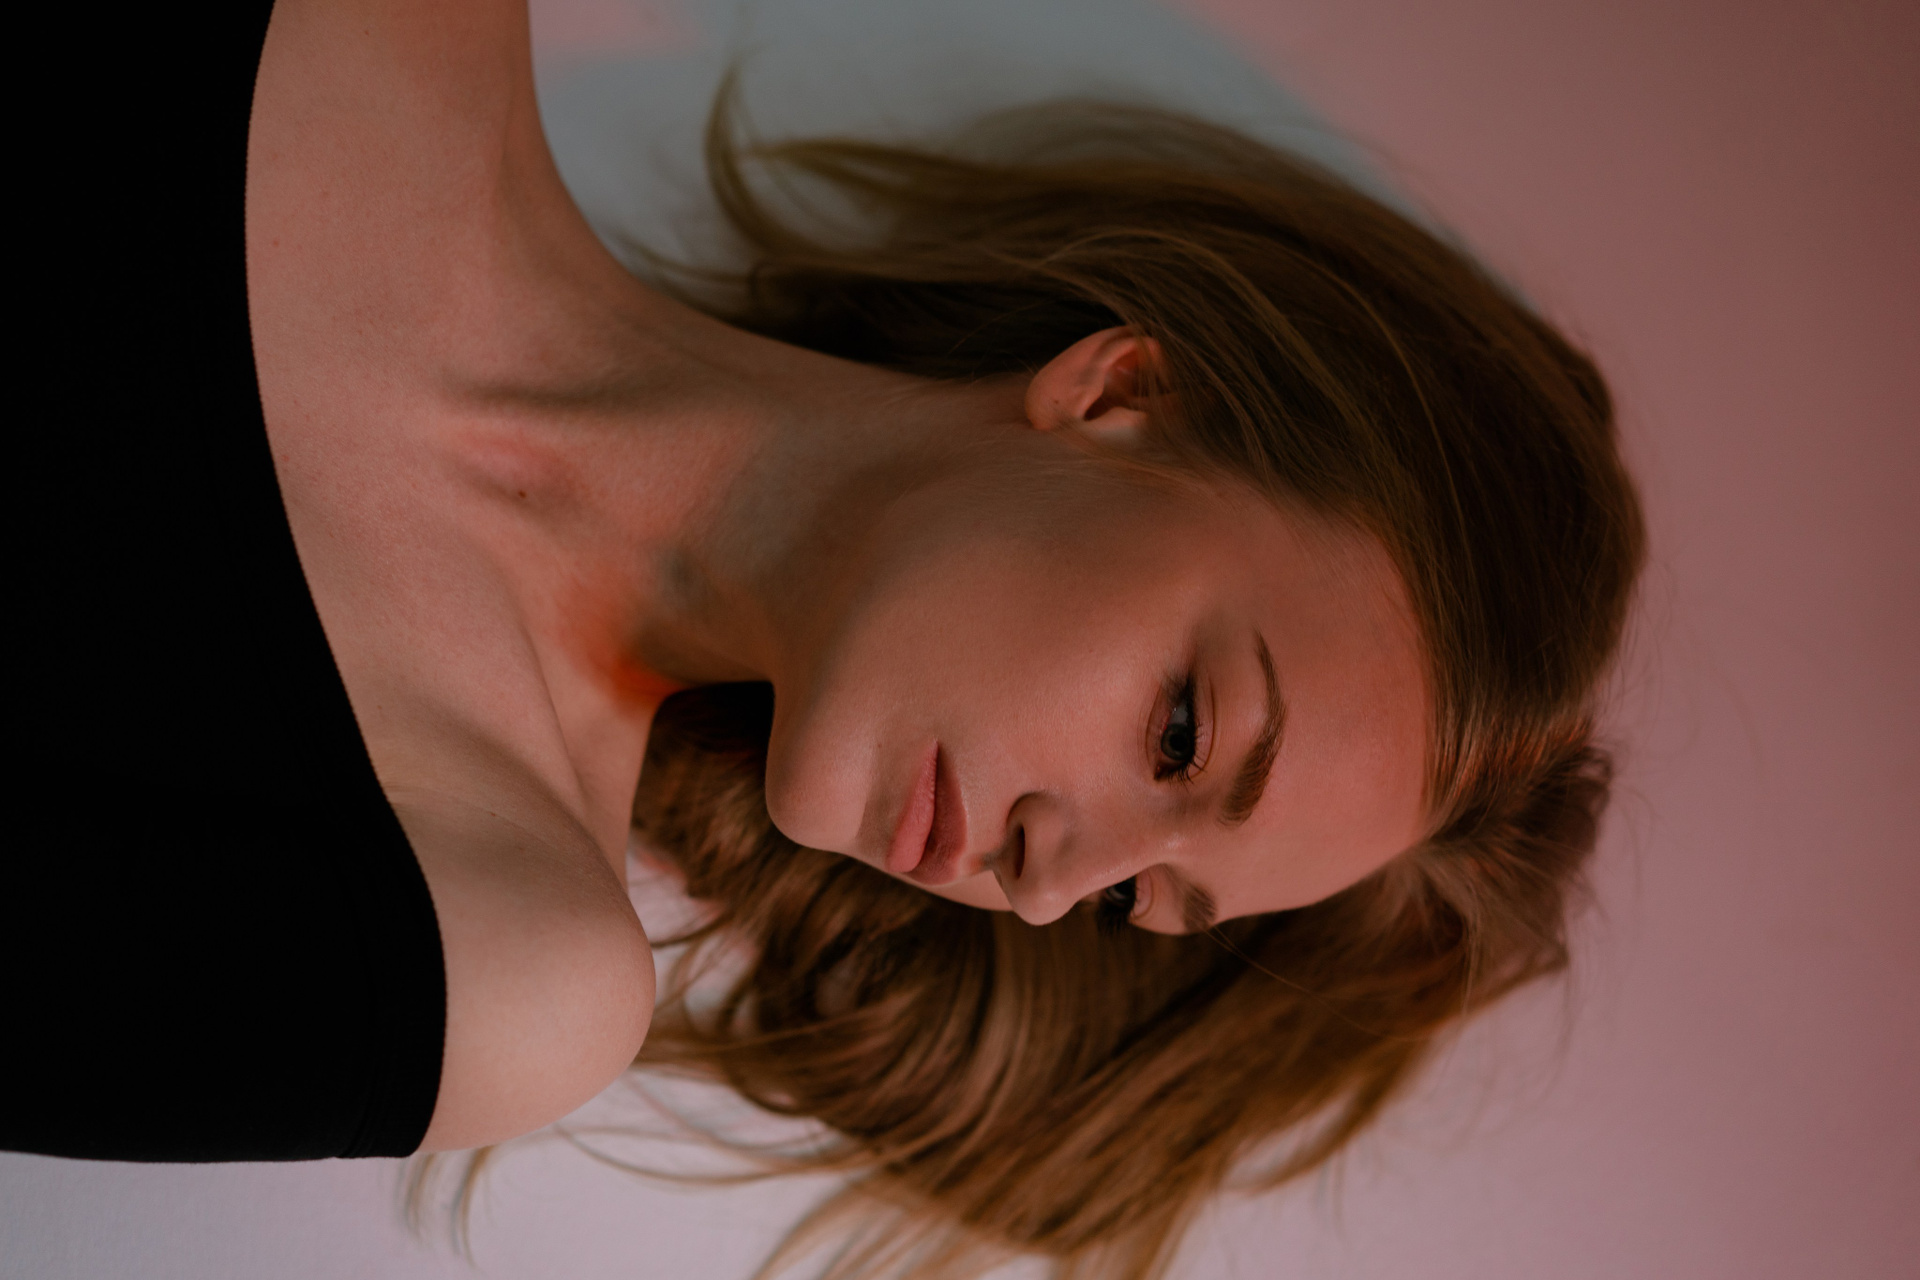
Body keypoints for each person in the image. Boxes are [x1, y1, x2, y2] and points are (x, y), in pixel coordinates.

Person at [4, 0, 1643, 1275]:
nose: (1049, 881)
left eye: (1133, 901)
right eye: (1178, 737)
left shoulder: (507, 964)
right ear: (1120, 393)